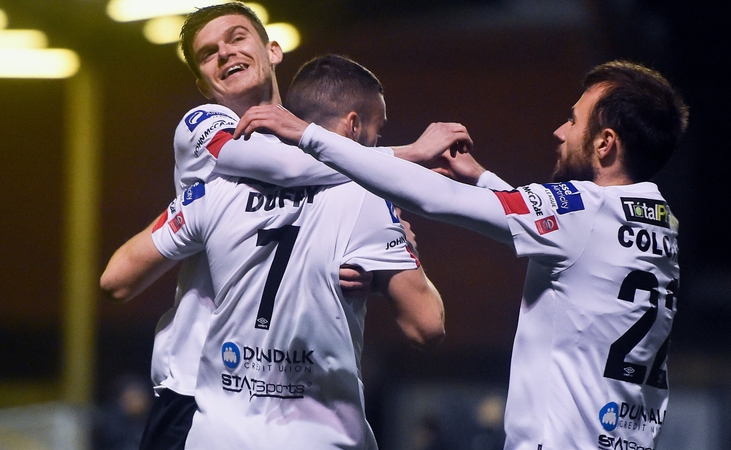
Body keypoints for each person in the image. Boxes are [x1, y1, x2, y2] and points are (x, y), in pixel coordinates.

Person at [235, 60, 689, 449]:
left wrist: (309, 136)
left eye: (574, 121)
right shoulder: (659, 220)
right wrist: (482, 179)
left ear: (605, 143)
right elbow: (568, 234)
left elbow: (436, 199)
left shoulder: (585, 211)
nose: (560, 130)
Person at [100, 3, 461, 448]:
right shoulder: (205, 125)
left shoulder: (315, 157)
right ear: (201, 83)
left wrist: (366, 271)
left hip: (290, 390)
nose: (225, 53)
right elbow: (282, 167)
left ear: (273, 50)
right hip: (198, 384)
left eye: (236, 37)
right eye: (209, 53)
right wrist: (405, 159)